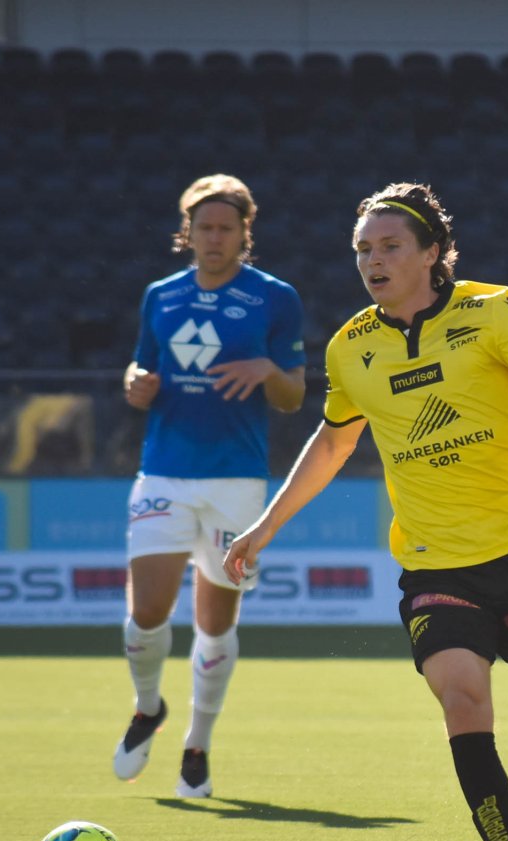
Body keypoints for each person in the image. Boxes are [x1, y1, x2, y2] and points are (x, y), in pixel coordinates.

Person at [224, 183, 508, 841]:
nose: (373, 260)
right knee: (463, 699)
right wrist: (263, 528)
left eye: (390, 245)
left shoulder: (494, 311)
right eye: (363, 249)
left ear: (433, 252)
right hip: (436, 569)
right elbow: (332, 445)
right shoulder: (350, 347)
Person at [112, 174, 306, 798]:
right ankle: (148, 707)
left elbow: (295, 395)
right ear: (187, 233)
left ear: (244, 235)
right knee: (145, 613)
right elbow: (142, 368)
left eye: (226, 228)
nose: (214, 238)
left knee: (214, 624)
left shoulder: (275, 298)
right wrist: (135, 383)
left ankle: (197, 743)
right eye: (205, 227)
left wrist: (268, 368)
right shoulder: (160, 296)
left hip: (237, 481)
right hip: (164, 469)